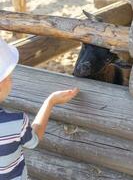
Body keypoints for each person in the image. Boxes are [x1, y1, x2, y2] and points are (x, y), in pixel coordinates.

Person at [0, 38, 79, 180]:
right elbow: (34, 140)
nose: (11, 79)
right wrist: (50, 102)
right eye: (9, 75)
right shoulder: (16, 123)